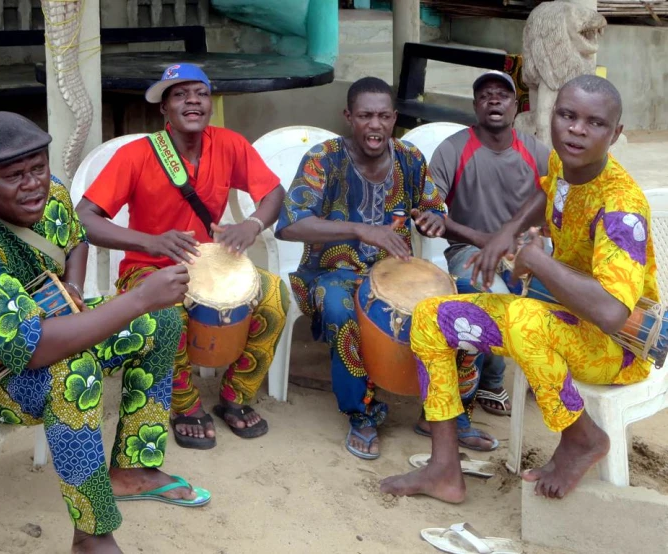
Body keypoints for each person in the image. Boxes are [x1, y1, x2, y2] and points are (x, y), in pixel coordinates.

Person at [0, 112, 210, 554]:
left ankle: (132, 468)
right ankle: (92, 537)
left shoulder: (49, 191)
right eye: (14, 175)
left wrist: (74, 288)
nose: (32, 184)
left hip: (49, 327)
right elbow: (35, 348)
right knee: (73, 372)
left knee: (163, 322)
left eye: (37, 168)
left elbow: (75, 238)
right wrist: (137, 298)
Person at [380, 75, 657, 501]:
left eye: (594, 123)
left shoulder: (621, 206)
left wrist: (539, 261)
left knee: (526, 319)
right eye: (567, 116)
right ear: (553, 117)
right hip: (559, 320)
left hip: (617, 347)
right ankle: (443, 469)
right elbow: (547, 193)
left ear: (615, 133)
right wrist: (506, 234)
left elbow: (611, 313)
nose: (576, 129)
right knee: (432, 317)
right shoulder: (566, 163)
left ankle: (582, 437)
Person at [76, 63, 289, 450]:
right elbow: (83, 220)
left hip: (211, 264)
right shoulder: (135, 155)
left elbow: (273, 192)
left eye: (201, 94)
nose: (192, 100)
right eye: (179, 94)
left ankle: (235, 395)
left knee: (275, 296)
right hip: (148, 269)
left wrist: (253, 225)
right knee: (166, 317)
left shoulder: (230, 144)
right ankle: (184, 404)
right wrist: (150, 242)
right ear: (164, 109)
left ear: (210, 103)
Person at [276, 76, 471, 460]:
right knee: (338, 307)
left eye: (384, 116)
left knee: (463, 301)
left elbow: (432, 207)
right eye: (365, 115)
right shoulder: (324, 158)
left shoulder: (410, 158)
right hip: (329, 274)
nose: (375, 125)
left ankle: (445, 411)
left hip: (396, 274)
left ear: (394, 118)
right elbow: (290, 225)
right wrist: (361, 230)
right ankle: (361, 413)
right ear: (349, 116)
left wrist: (432, 218)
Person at [418, 70, 549, 429]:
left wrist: (534, 241)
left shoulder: (535, 150)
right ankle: (490, 382)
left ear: (515, 106)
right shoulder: (454, 149)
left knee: (563, 290)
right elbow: (429, 208)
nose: (494, 100)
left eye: (502, 95)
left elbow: (554, 206)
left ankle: (551, 375)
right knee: (490, 300)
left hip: (525, 248)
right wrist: (480, 239)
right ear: (476, 105)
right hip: (468, 250)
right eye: (485, 95)